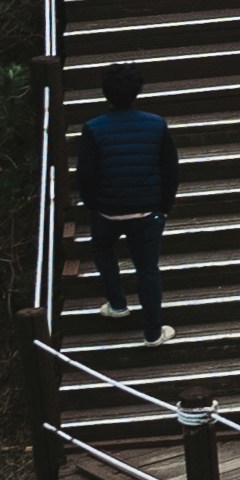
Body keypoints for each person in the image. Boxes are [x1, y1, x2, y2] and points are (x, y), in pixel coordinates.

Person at [73, 69, 179, 336]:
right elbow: (170, 170)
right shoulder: (156, 124)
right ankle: (153, 332)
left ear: (105, 93)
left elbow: (85, 174)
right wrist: (163, 207)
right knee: (148, 270)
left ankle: (118, 303)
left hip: (107, 211)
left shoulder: (93, 128)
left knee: (103, 252)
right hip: (146, 211)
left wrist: (92, 206)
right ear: (137, 92)